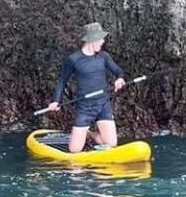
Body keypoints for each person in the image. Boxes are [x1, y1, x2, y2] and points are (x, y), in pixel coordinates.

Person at [46, 21, 126, 153]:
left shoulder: (104, 57)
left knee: (111, 144)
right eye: (100, 39)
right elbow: (62, 81)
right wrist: (56, 101)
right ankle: (84, 133)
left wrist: (120, 79)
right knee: (75, 150)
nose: (102, 42)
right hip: (85, 107)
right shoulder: (74, 59)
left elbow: (118, 71)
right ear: (91, 40)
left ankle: (90, 134)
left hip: (103, 104)